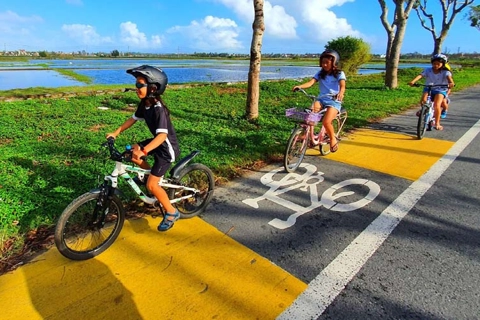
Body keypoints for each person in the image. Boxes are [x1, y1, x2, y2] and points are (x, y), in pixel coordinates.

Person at [106, 65, 181, 231]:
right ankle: (147, 176)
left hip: (166, 149)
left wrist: (145, 150)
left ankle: (171, 212)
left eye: (140, 85)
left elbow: (162, 136)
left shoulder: (158, 109)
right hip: (157, 141)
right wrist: (116, 132)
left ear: (153, 88)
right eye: (136, 85)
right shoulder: (145, 104)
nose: (136, 88)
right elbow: (132, 119)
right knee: (134, 152)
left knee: (152, 186)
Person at [292, 49, 346, 153]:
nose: (324, 65)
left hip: (334, 101)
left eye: (327, 63)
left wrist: (341, 93)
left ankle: (333, 139)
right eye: (323, 62)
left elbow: (342, 86)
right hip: (321, 99)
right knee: (310, 114)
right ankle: (306, 134)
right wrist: (300, 86)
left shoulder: (339, 73)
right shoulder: (320, 73)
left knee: (326, 122)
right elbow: (310, 83)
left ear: (334, 63)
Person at [408, 53, 455, 131]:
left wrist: (451, 83)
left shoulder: (445, 72)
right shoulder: (428, 70)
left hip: (440, 89)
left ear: (443, 64)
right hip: (428, 88)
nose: (436, 65)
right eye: (434, 63)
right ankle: (423, 109)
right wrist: (413, 81)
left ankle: (437, 123)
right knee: (423, 100)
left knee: (437, 105)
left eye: (438, 64)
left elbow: (450, 79)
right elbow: (420, 75)